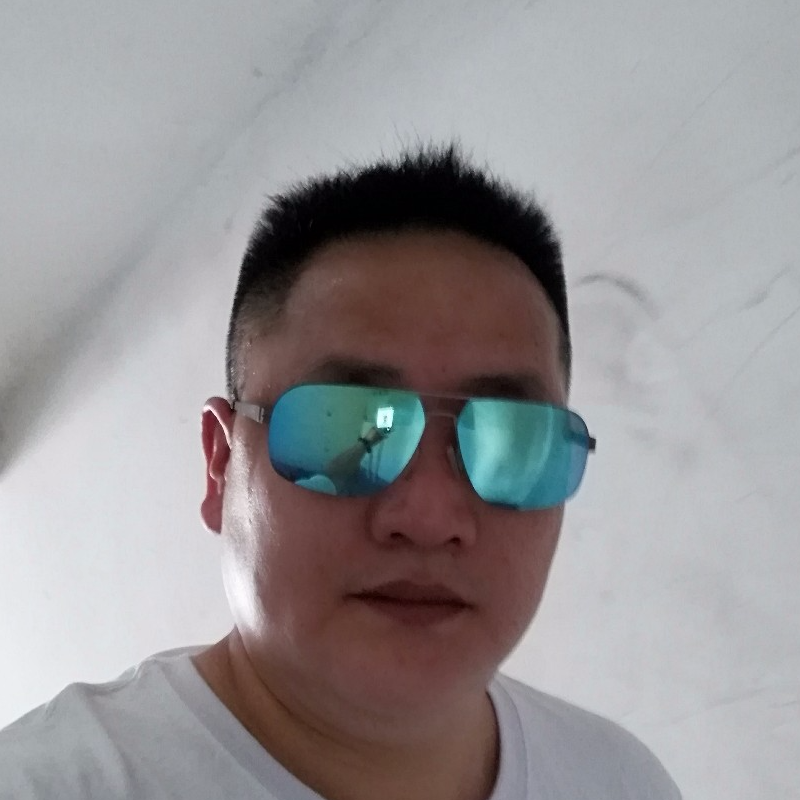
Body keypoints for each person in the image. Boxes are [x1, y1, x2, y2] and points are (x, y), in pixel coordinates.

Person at [0, 144, 682, 799]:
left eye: (513, 438)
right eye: (346, 429)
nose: (429, 517)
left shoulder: (621, 780)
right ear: (221, 465)